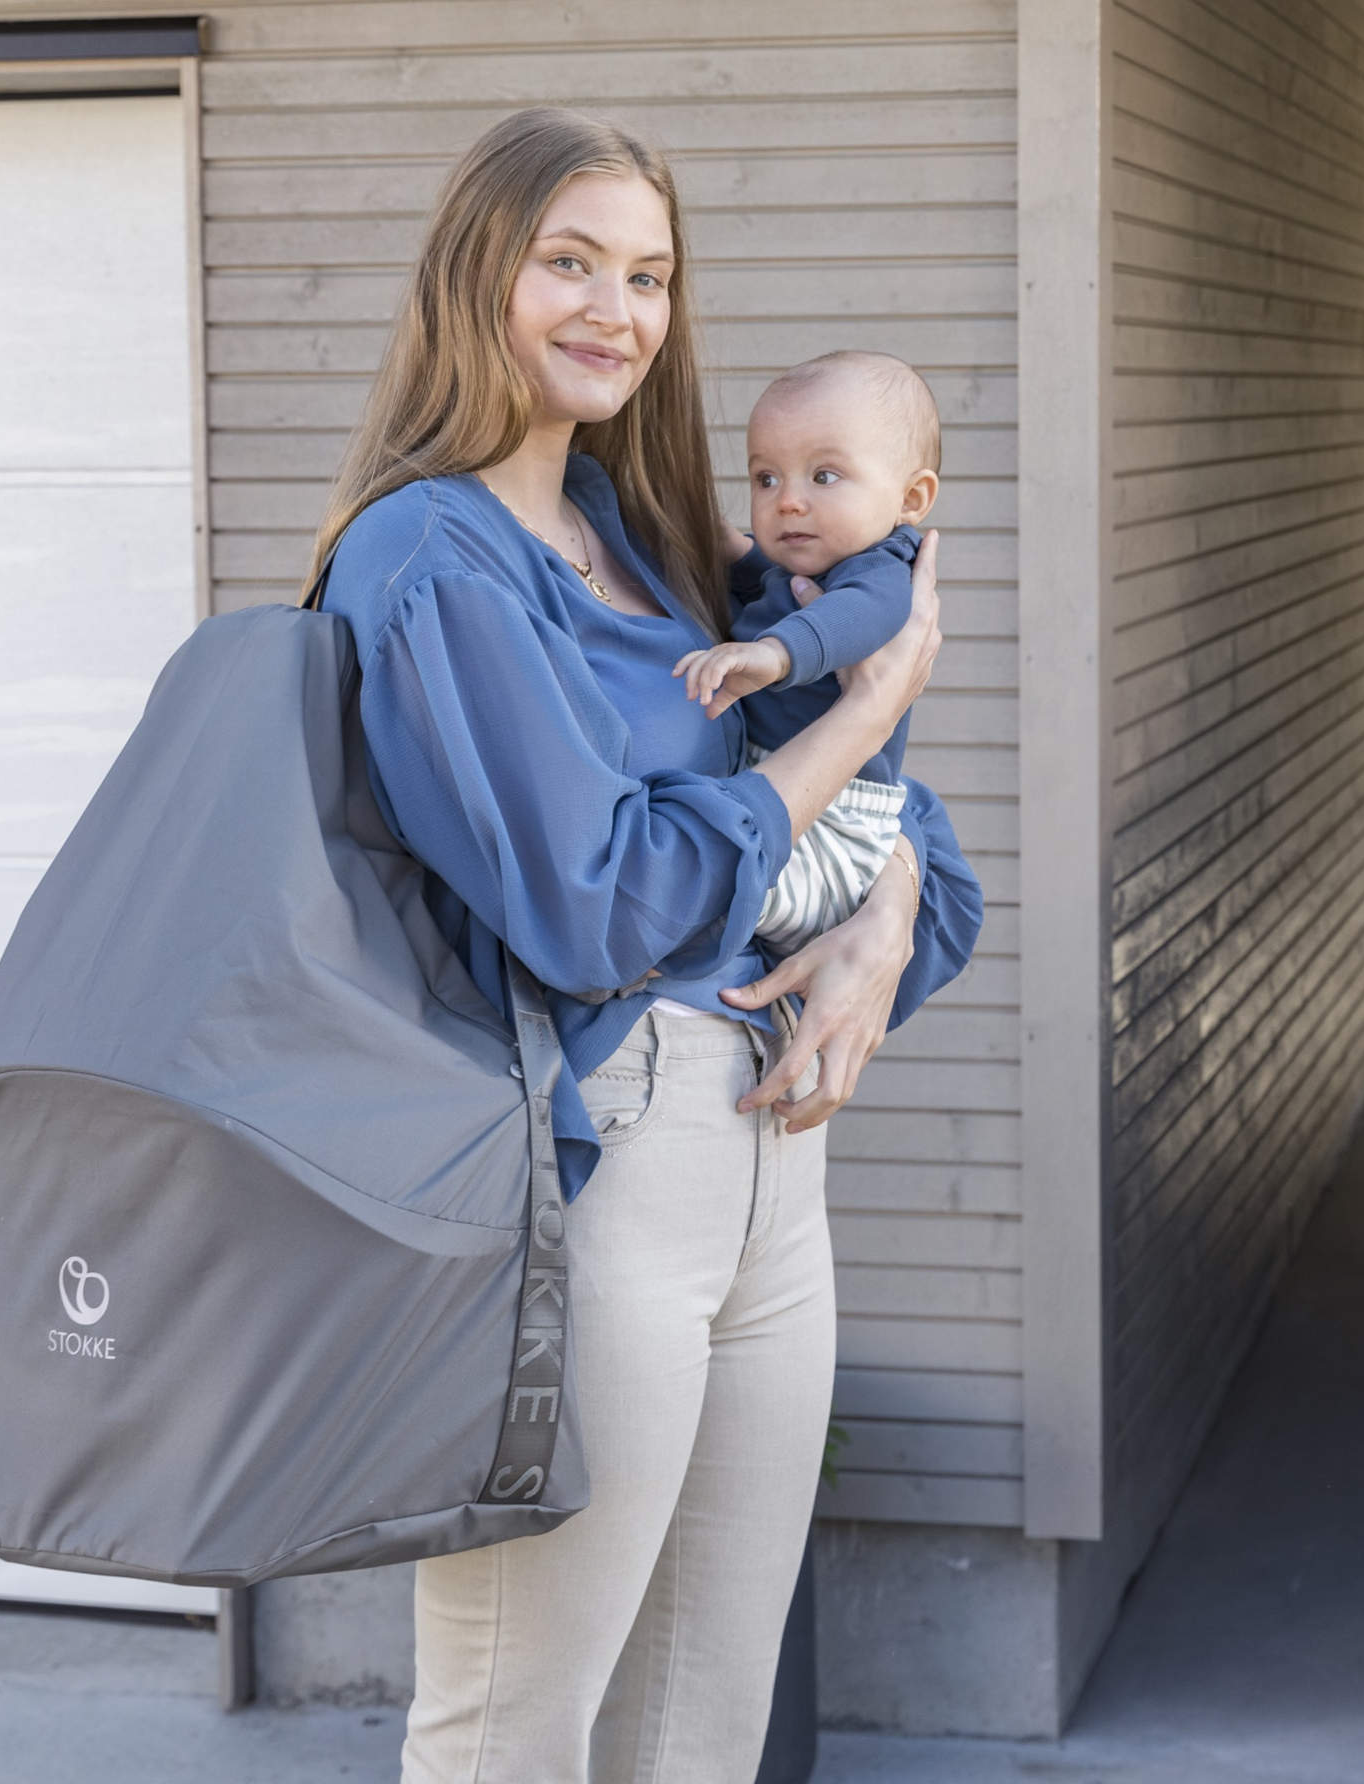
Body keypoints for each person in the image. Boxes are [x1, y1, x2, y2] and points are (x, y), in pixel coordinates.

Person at [300, 106, 983, 1784]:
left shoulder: (660, 543)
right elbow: (603, 902)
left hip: (774, 1186)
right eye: (573, 263)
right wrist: (877, 704)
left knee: (703, 1724)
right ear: (482, 275)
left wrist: (882, 921)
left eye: (651, 275)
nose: (617, 309)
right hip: (596, 1176)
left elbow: (909, 849)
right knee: (516, 1727)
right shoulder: (432, 556)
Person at [674, 349, 941, 954]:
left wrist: (774, 654)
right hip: (788, 791)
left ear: (911, 498)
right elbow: (761, 577)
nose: (787, 500)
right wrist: (715, 541)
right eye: (766, 478)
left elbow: (854, 619)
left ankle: (656, 936)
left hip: (838, 822)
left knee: (711, 888)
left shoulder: (881, 570)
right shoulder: (807, 564)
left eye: (823, 476)